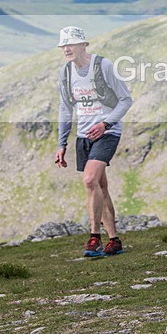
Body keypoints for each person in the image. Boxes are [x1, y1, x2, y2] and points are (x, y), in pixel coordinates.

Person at [54, 26, 133, 257]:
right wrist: (62, 144)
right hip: (84, 135)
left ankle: (94, 239)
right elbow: (65, 108)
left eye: (71, 44)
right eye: (63, 45)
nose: (67, 48)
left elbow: (126, 100)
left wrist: (106, 124)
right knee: (101, 186)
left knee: (89, 181)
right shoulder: (66, 73)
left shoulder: (103, 66)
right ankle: (114, 240)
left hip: (107, 132)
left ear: (83, 45)